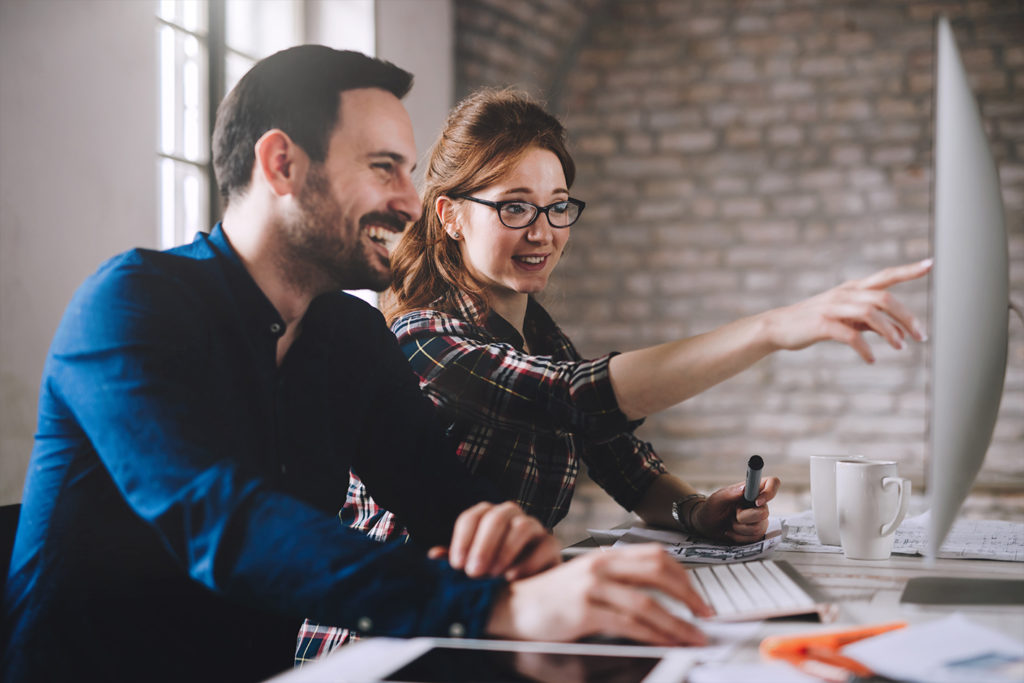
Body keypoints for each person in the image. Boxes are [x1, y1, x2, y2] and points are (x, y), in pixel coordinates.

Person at [1, 50, 717, 683]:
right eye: (383, 169)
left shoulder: (348, 332)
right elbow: (224, 521)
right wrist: (498, 604)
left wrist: (524, 553)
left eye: (408, 171)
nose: (410, 202)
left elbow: (448, 502)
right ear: (281, 163)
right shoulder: (129, 304)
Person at [323, 88, 932, 649]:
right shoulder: (422, 336)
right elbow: (575, 398)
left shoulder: (541, 339)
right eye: (514, 208)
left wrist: (697, 511)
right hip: (385, 638)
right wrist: (773, 328)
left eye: (557, 207)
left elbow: (626, 467)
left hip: (486, 624)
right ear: (452, 216)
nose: (543, 232)